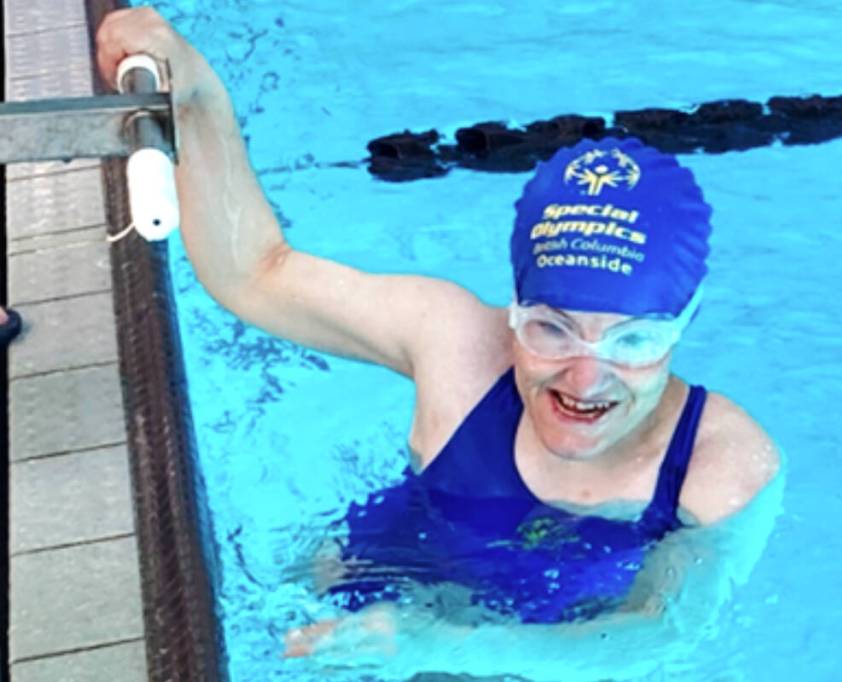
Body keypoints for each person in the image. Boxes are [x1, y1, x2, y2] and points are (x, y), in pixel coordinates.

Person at [97, 8, 782, 680]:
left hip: (514, 657)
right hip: (344, 609)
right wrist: (197, 94)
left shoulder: (720, 465)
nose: (584, 379)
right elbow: (255, 273)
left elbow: (657, 637)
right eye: (552, 328)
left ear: (682, 326)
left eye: (632, 341)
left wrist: (444, 649)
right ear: (515, 309)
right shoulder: (454, 344)